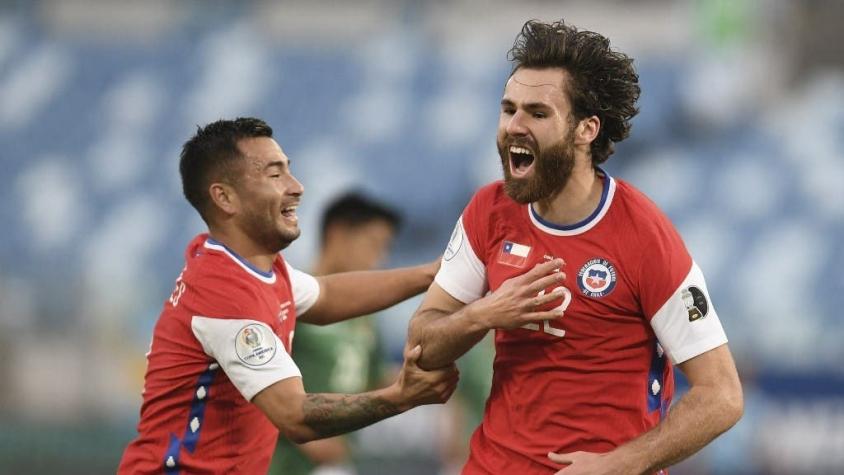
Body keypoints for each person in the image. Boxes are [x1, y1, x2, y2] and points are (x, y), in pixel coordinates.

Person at [407, 19, 743, 475]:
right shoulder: (488, 211)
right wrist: (485, 313)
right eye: (509, 110)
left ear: (586, 130)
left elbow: (721, 396)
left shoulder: (643, 235)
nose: (514, 126)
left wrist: (617, 464)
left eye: (538, 114)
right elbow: (423, 347)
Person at [118, 117, 458, 474]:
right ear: (225, 197)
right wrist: (401, 396)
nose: (296, 187)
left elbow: (326, 294)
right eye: (275, 174)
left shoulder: (259, 269)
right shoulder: (224, 293)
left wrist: (433, 274)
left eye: (289, 171)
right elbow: (294, 415)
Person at [271, 192, 402, 475]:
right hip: (281, 462)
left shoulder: (365, 316)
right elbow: (249, 380)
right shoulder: (289, 299)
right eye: (374, 245)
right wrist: (305, 434)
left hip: (336, 464)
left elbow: (371, 379)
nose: (379, 259)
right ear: (338, 234)